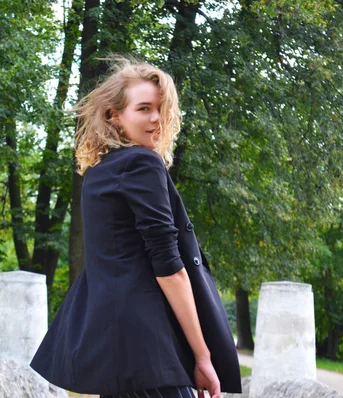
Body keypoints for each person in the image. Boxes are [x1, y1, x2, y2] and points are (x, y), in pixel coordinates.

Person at [30, 59, 242, 398]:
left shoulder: (99, 171)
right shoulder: (142, 163)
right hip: (148, 350)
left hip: (117, 352)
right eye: (143, 108)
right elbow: (169, 267)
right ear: (114, 115)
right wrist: (203, 356)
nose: (156, 118)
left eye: (160, 108)